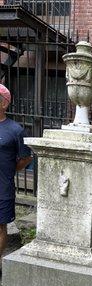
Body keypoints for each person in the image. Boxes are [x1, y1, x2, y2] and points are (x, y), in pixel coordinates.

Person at [0, 84, 32, 263]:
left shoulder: (15, 130)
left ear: (4, 103)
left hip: (3, 188)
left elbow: (26, 158)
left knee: (0, 227)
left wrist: (10, 170)